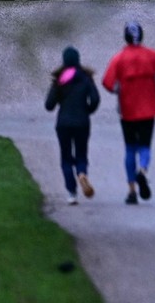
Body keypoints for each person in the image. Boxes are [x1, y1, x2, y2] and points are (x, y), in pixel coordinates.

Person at [102, 22, 155, 205]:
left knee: (130, 148)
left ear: (125, 37)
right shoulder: (152, 55)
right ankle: (143, 171)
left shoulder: (119, 58)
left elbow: (107, 83)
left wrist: (119, 91)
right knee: (145, 146)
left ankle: (132, 190)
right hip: (149, 108)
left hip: (128, 110)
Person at [45, 46, 100, 205]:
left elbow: (49, 105)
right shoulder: (86, 77)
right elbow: (95, 99)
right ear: (78, 60)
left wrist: (58, 98)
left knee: (66, 158)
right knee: (81, 154)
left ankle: (72, 193)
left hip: (63, 123)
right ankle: (82, 173)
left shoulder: (59, 79)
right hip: (82, 122)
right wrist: (88, 110)